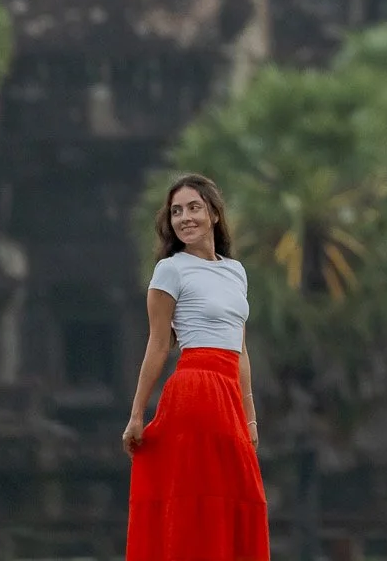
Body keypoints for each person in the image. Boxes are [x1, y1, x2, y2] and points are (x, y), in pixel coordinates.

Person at [123, 173, 269, 561]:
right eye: (176, 212)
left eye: (193, 208)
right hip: (195, 389)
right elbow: (157, 344)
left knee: (241, 494)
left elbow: (240, 349)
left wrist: (250, 418)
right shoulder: (171, 270)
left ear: (214, 214)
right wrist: (137, 414)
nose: (184, 218)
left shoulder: (236, 272)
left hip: (228, 393)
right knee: (199, 499)